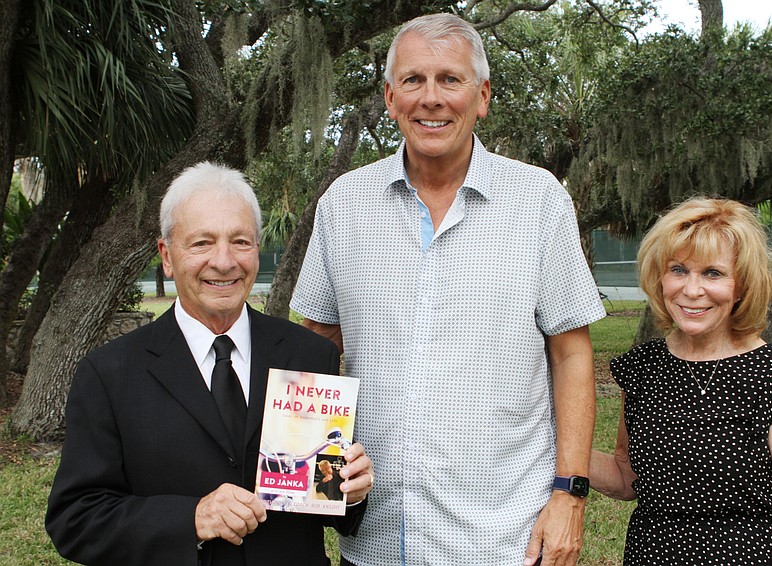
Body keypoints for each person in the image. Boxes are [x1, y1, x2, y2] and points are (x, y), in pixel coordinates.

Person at [290, 13, 606, 566]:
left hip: (503, 538)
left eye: (450, 80)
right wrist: (310, 488)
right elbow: (315, 348)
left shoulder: (538, 202)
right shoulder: (344, 204)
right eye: (413, 80)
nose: (430, 98)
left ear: (482, 96)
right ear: (390, 98)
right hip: (377, 540)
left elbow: (572, 352)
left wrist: (570, 493)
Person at [45, 162, 375, 566]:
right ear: (166, 256)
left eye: (240, 241)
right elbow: (75, 519)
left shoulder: (309, 354)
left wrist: (351, 491)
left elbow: (323, 494)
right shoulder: (109, 373)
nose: (224, 261)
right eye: (201, 243)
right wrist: (193, 518)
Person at [589, 198, 772, 565]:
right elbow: (627, 478)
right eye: (678, 270)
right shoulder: (642, 370)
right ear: (659, 277)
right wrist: (550, 447)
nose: (691, 290)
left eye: (712, 273)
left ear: (742, 285)